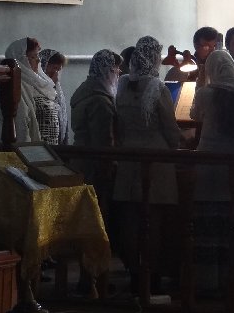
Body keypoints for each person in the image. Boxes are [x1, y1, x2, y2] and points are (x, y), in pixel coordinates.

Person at [114, 36, 182, 293]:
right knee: (154, 219)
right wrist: (177, 146)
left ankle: (134, 273)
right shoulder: (157, 87)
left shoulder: (122, 84)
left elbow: (119, 124)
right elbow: (170, 129)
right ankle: (151, 275)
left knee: (131, 219)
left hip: (128, 157)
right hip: (156, 159)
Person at [188, 50, 234, 296]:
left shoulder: (206, 93)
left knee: (209, 221)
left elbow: (194, 115)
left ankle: (208, 279)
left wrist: (199, 82)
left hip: (209, 160)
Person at [69, 48, 123, 294]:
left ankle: (89, 275)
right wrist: (110, 166)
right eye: (116, 70)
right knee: (98, 222)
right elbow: (104, 140)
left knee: (87, 221)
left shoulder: (83, 92)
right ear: (107, 70)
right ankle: (93, 277)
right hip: (96, 166)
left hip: (80, 161)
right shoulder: (100, 100)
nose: (118, 74)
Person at [4, 37, 57, 143]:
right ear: (21, 60)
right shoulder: (17, 86)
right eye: (33, 56)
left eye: (38, 55)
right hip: (34, 148)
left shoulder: (39, 83)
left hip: (51, 147)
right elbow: (21, 125)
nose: (38, 60)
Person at [38, 49, 70, 144]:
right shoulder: (34, 89)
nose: (56, 73)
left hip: (58, 145)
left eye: (59, 70)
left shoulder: (58, 91)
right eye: (54, 68)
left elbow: (63, 121)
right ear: (42, 67)